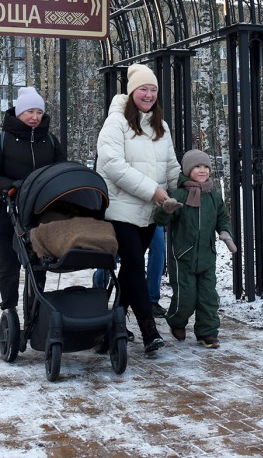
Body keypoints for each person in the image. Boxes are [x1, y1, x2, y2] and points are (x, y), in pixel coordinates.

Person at [96, 64, 180, 353]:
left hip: (150, 212)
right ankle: (149, 331)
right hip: (119, 209)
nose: (149, 94)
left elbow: (171, 166)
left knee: (130, 273)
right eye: (143, 89)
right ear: (132, 92)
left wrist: (186, 187)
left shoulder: (161, 127)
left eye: (153, 89)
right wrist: (152, 191)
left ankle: (111, 330)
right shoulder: (116, 123)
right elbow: (112, 166)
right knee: (133, 265)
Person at [0, 87, 65, 313]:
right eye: (29, 112)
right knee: (9, 267)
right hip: (7, 216)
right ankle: (9, 309)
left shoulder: (51, 141)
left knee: (39, 267)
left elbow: (61, 171)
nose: (34, 117)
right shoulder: (2, 141)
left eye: (38, 112)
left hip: (40, 216)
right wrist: (9, 186)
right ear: (19, 113)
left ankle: (35, 312)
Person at [155, 149, 235, 348]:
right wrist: (166, 210)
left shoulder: (214, 197)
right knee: (186, 297)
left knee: (208, 297)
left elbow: (222, 218)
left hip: (207, 255)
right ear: (188, 170)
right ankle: (176, 320)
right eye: (197, 167)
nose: (202, 170)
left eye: (206, 167)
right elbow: (160, 220)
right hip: (183, 256)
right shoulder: (180, 194)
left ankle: (207, 332)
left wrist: (225, 232)